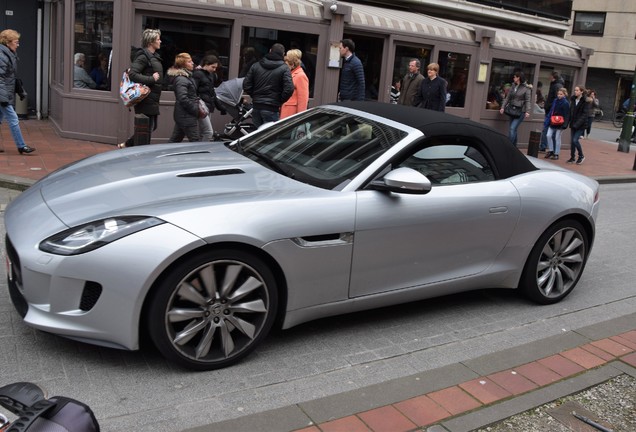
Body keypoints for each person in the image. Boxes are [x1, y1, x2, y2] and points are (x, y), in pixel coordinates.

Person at [118, 29, 163, 148]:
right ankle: (135, 150)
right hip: (145, 99)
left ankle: (128, 145)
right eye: (158, 39)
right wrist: (151, 79)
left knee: (150, 127)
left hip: (152, 99)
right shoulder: (143, 57)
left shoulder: (153, 56)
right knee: (145, 129)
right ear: (150, 42)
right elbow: (132, 74)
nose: (160, 41)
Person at [0, 29, 35, 154]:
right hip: (2, 95)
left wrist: (19, 89)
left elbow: (9, 76)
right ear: (8, 43)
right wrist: (4, 98)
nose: (18, 45)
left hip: (4, 93)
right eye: (16, 42)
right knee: (14, 119)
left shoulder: (8, 53)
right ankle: (21, 146)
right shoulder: (2, 55)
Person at [243, 42, 293, 128]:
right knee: (271, 137)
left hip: (257, 106)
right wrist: (279, 101)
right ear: (283, 54)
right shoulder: (284, 68)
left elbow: (246, 84)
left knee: (257, 135)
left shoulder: (256, 65)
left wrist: (255, 96)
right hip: (272, 107)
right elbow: (289, 89)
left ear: (270, 51)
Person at [167, 53, 203, 143]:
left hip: (184, 115)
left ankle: (163, 155)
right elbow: (182, 98)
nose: (192, 63)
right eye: (189, 61)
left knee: (175, 140)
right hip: (186, 115)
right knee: (195, 141)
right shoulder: (181, 79)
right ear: (183, 65)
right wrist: (195, 109)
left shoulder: (186, 77)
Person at [193, 55, 222, 141]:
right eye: (213, 67)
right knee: (208, 132)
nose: (214, 70)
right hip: (201, 106)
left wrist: (220, 106)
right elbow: (193, 91)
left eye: (215, 67)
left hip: (207, 106)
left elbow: (212, 92)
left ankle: (200, 149)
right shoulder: (198, 74)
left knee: (204, 132)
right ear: (206, 64)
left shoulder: (210, 75)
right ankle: (203, 151)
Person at [499, 71, 531, 147]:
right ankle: (514, 146)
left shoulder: (526, 88)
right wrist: (502, 107)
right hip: (512, 110)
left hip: (521, 111)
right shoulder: (513, 86)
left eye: (515, 77)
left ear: (518, 78)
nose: (513, 78)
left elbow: (527, 100)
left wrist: (527, 111)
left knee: (512, 128)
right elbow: (507, 98)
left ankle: (508, 146)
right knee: (513, 129)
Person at [280, 49, 309, 119]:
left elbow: (303, 100)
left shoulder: (301, 76)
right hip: (286, 111)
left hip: (292, 114)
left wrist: (300, 118)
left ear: (292, 64)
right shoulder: (290, 73)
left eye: (287, 64)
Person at [539, 71, 564, 152]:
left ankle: (546, 147)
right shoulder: (555, 84)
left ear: (553, 76)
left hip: (552, 112)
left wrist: (549, 107)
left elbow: (556, 99)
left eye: (549, 75)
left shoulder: (556, 85)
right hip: (550, 110)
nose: (548, 77)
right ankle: (548, 148)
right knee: (549, 131)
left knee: (548, 130)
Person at [544, 87, 570, 161]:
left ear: (564, 94)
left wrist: (565, 124)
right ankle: (551, 151)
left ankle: (556, 153)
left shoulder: (565, 103)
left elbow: (567, 114)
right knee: (548, 135)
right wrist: (548, 120)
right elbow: (551, 111)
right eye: (558, 94)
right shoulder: (555, 101)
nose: (559, 95)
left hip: (561, 123)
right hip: (553, 121)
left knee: (557, 138)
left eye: (561, 94)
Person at [568, 85, 591, 164]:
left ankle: (581, 156)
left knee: (575, 140)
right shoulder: (573, 100)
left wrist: (577, 124)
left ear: (581, 91)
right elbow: (571, 112)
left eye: (577, 90)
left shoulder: (585, 101)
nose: (575, 91)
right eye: (575, 90)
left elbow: (585, 115)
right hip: (573, 123)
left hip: (581, 125)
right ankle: (572, 157)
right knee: (572, 141)